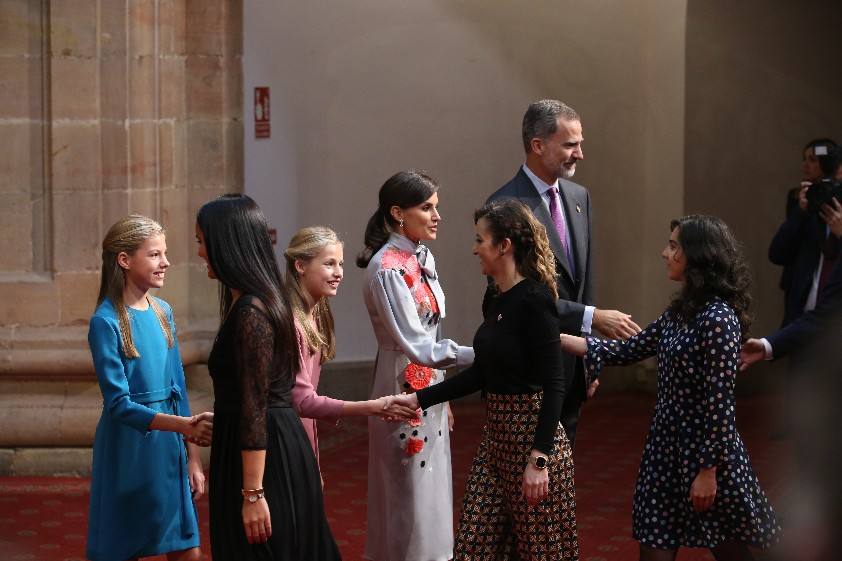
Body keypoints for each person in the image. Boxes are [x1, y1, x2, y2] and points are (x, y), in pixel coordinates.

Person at [561, 215, 780, 561]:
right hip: (665, 450)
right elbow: (629, 349)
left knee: (733, 548)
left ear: (698, 255)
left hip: (707, 453)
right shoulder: (680, 312)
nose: (665, 253)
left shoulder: (719, 319)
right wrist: (560, 340)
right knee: (655, 543)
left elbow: (719, 404)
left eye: (673, 245)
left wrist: (707, 472)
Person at [391, 199, 578, 560]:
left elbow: (555, 383)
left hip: (532, 440)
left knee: (543, 554)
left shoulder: (535, 299)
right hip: (496, 444)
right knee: (473, 548)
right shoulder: (496, 297)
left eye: (480, 240)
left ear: (503, 245)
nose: (475, 248)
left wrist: (540, 459)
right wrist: (420, 399)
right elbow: (483, 372)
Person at [196, 195, 341, 561]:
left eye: (202, 241)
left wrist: (253, 494)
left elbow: (257, 405)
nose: (199, 252)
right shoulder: (257, 301)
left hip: (266, 460)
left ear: (226, 244)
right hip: (261, 446)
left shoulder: (252, 311)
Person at [487, 99, 640, 443]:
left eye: (580, 143)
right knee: (528, 480)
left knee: (561, 483)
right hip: (527, 372)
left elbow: (585, 280)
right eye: (570, 144)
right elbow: (513, 296)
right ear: (538, 145)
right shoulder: (504, 207)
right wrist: (591, 317)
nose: (580, 154)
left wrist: (590, 358)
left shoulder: (578, 196)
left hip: (571, 370)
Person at [357, 170, 475, 561]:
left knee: (433, 489)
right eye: (426, 208)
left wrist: (446, 393)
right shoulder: (387, 268)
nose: (437, 216)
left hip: (430, 388)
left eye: (436, 207)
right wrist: (484, 355)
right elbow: (418, 344)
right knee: (406, 493)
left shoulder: (422, 256)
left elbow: (431, 333)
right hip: (401, 387)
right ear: (397, 213)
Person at [87, 215, 212, 561]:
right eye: (155, 254)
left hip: (169, 447)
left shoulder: (163, 312)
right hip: (127, 449)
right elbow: (118, 405)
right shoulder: (105, 321)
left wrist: (193, 459)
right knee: (124, 546)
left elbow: (179, 389)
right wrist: (183, 426)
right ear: (125, 261)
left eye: (165, 253)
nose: (166, 262)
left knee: (188, 548)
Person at [283, 225, 415, 468]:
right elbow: (302, 401)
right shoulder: (292, 322)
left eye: (340, 264)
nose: (338, 273)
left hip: (301, 435)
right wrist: (370, 407)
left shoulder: (317, 315)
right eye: (329, 264)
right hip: (285, 440)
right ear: (300, 266)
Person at [768, 138, 838, 327]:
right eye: (804, 159)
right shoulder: (800, 199)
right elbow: (777, 253)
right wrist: (801, 212)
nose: (805, 165)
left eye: (813, 159)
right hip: (802, 308)